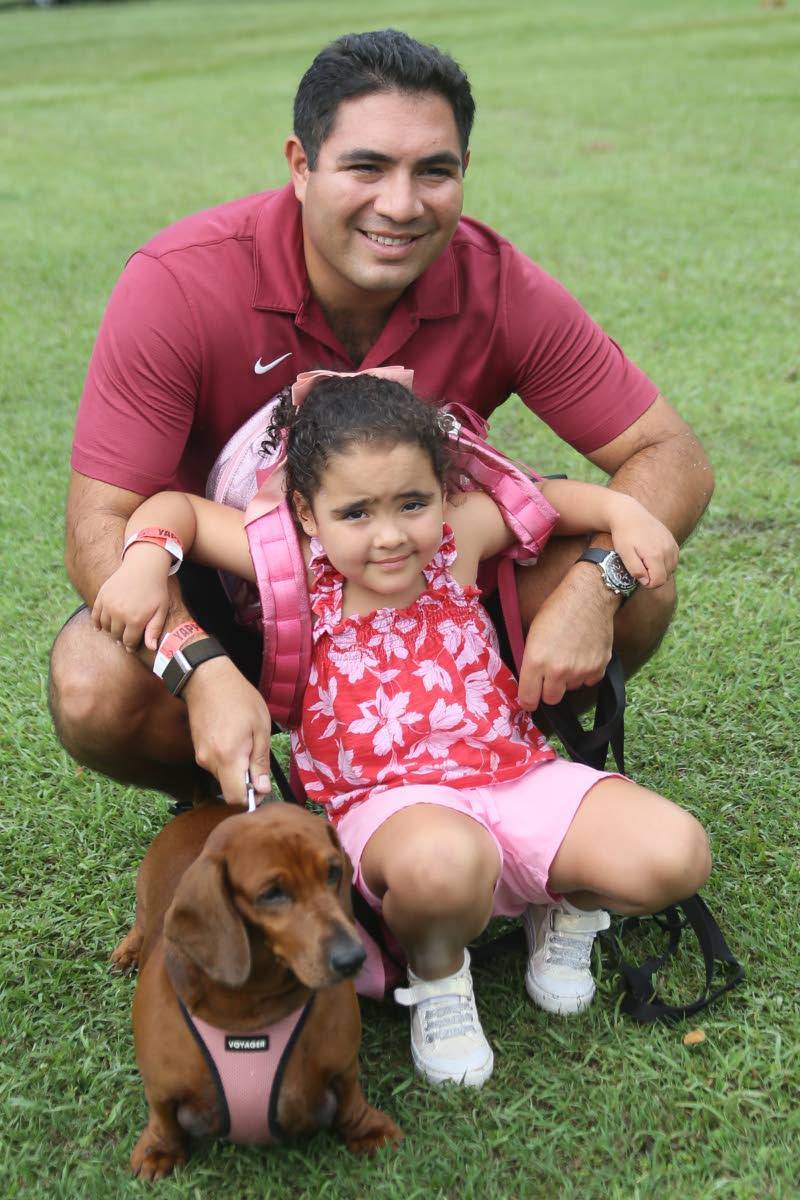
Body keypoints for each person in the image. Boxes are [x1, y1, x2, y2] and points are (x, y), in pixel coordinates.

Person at [50, 28, 714, 808]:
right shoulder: (181, 282)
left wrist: (592, 590)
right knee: (93, 682)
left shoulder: (495, 283)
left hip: (427, 581)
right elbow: (99, 524)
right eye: (366, 166)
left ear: (464, 171)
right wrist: (198, 667)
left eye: (433, 171)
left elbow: (672, 455)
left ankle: (477, 758)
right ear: (301, 166)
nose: (400, 206)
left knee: (639, 585)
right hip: (238, 575)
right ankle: (268, 804)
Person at [91, 372, 711, 1087]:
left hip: (515, 777)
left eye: (411, 503)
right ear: (307, 511)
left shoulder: (460, 533)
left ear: (443, 492)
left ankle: (562, 904)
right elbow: (177, 509)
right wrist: (145, 559)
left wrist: (622, 513)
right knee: (441, 865)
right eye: (355, 512)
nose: (389, 536)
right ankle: (439, 974)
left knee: (675, 853)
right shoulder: (292, 562)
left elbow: (552, 499)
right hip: (394, 812)